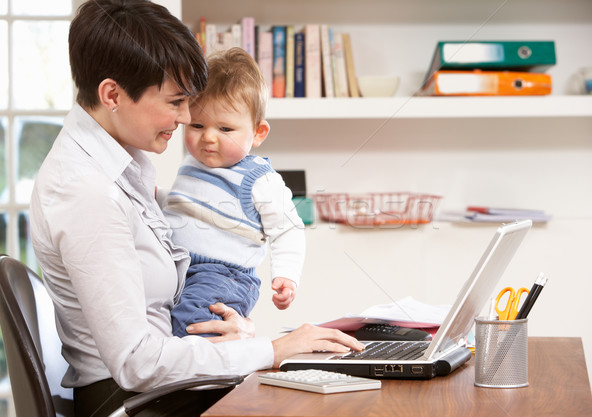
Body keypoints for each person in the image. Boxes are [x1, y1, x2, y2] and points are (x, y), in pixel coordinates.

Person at [28, 1, 363, 416]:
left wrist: (237, 334)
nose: (186, 117)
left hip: (158, 388)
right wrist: (270, 350)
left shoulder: (119, 168)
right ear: (112, 94)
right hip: (134, 402)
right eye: (175, 102)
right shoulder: (87, 193)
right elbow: (138, 363)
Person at [164, 48, 304, 338]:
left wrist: (286, 276)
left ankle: (207, 381)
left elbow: (288, 228)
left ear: (258, 133)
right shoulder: (192, 164)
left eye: (225, 128)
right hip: (180, 267)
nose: (208, 137)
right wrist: (155, 197)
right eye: (197, 125)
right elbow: (190, 207)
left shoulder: (258, 179)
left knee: (192, 324)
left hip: (225, 276)